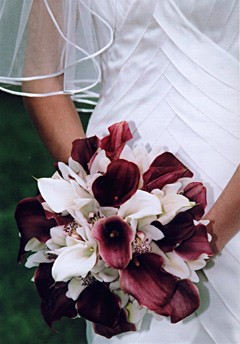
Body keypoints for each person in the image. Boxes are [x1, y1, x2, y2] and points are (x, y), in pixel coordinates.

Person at [0, 1, 239, 343]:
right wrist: (91, 193)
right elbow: (42, 80)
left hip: (231, 181)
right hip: (115, 195)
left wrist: (212, 234)